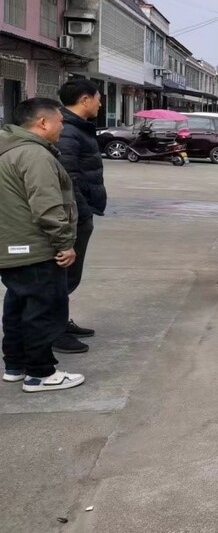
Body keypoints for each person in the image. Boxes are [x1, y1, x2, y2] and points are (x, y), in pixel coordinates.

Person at [0, 98, 84, 392]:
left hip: (11, 247)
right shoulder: (34, 155)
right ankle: (39, 373)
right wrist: (65, 243)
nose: (63, 126)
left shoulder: (8, 149)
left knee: (17, 305)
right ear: (43, 122)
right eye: (60, 121)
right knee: (43, 310)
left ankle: (15, 365)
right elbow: (47, 206)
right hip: (34, 247)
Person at [55, 79, 105, 354]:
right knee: (65, 275)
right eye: (97, 98)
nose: (100, 103)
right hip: (75, 213)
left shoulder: (77, 128)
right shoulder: (69, 131)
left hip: (81, 210)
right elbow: (67, 177)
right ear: (85, 99)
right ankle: (55, 331)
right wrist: (82, 212)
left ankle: (61, 322)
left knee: (69, 275)